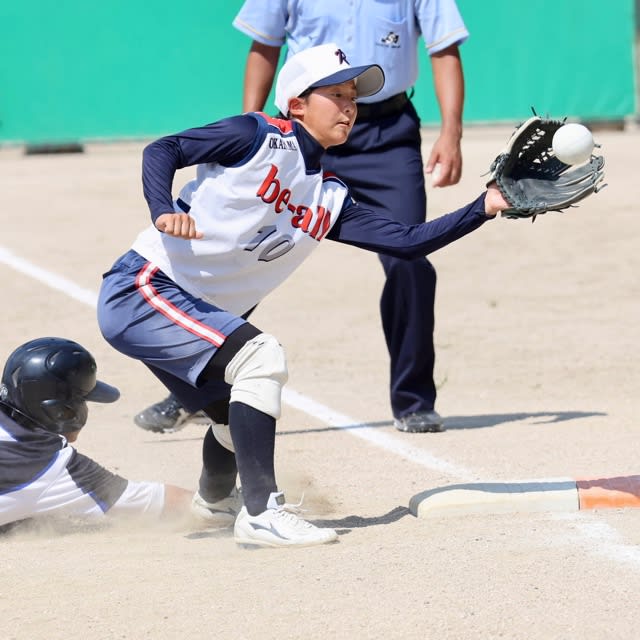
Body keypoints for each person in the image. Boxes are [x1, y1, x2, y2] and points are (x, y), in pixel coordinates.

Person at [97, 43, 510, 548]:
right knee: (261, 358)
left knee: (232, 417)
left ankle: (214, 502)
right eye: (336, 95)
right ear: (296, 104)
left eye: (353, 97)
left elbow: (408, 242)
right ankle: (262, 514)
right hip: (144, 290)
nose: (349, 107)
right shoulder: (256, 135)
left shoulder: (329, 195)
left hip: (193, 312)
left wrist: (486, 204)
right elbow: (164, 150)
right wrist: (162, 208)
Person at [232, 0, 468, 434]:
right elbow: (264, 46)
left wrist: (451, 133)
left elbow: (444, 50)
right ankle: (195, 378)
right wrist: (254, 128)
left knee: (410, 258)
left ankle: (414, 401)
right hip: (304, 131)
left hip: (387, 136)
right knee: (249, 247)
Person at [0, 336, 197, 531]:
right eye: (83, 401)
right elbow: (178, 506)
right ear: (62, 412)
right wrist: (214, 502)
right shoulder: (53, 466)